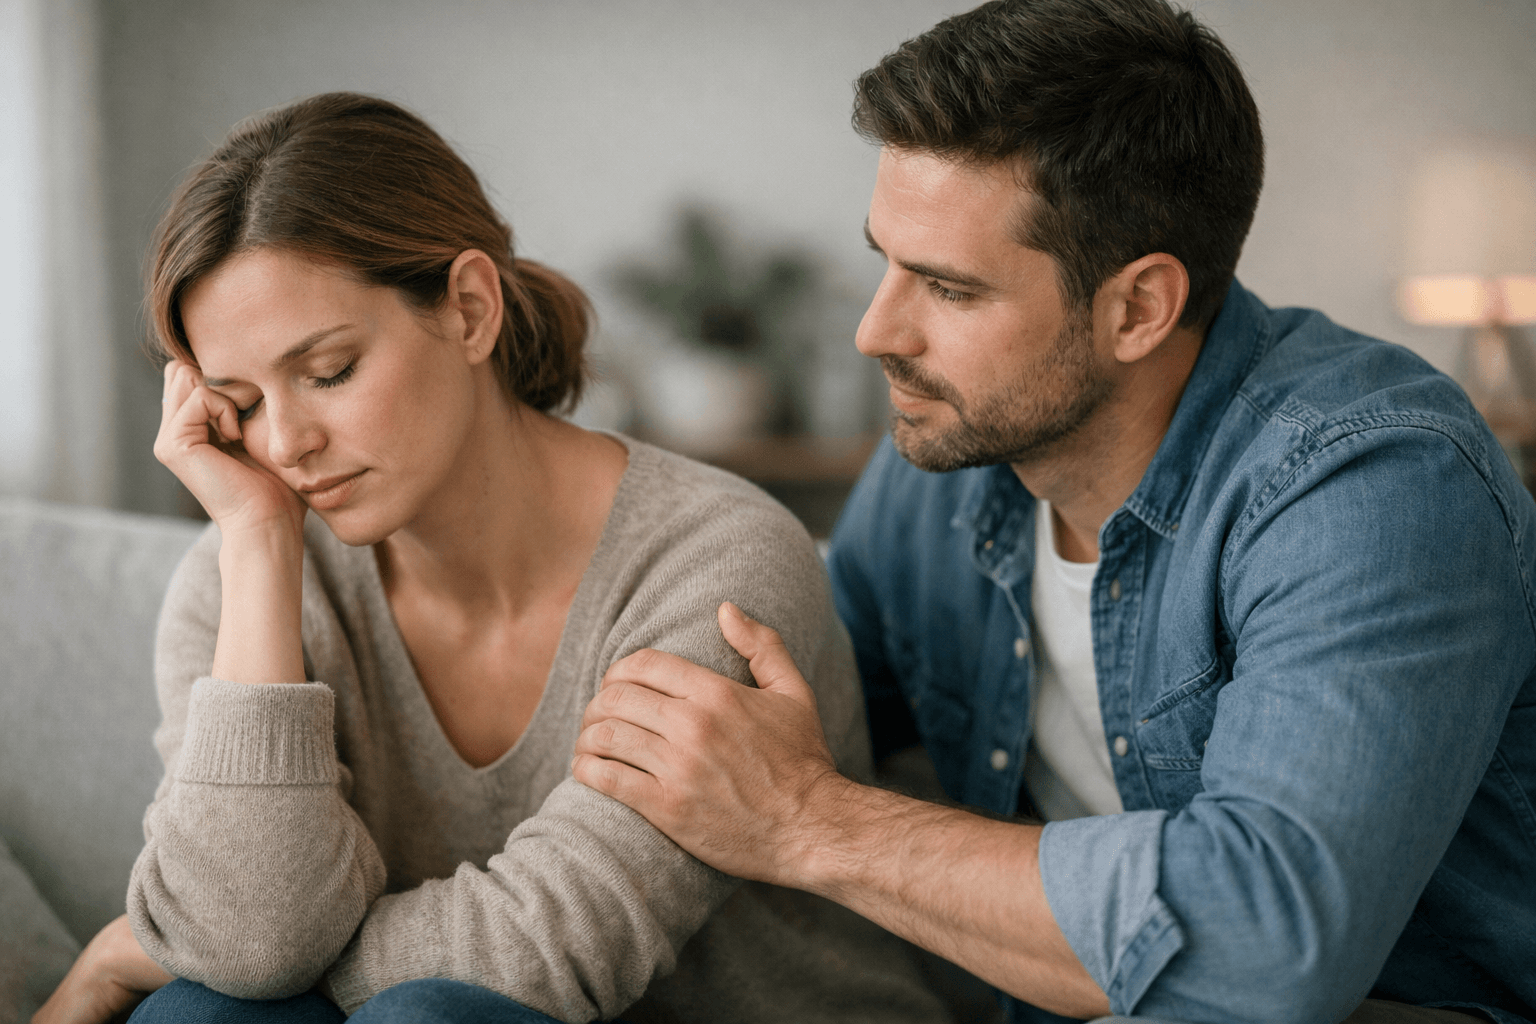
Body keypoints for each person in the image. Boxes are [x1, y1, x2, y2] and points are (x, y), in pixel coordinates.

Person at [571, 2, 1536, 1023]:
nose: (875, 331)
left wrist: (809, 820)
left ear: (1138, 308)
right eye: (885, 260)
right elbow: (796, 712)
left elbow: (1268, 945)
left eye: (948, 289)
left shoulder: (1371, 485)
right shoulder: (946, 459)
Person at [32, 92, 957, 1024]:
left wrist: (182, 949)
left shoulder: (713, 564)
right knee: (201, 1015)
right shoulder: (242, 576)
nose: (285, 444)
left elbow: (548, 948)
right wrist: (261, 544)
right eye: (242, 402)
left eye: (329, 372)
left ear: (470, 309)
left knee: (416, 1017)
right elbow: (248, 941)